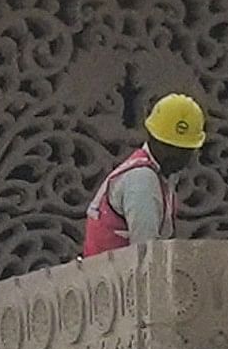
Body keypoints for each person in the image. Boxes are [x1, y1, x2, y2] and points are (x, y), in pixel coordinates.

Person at [81, 94, 208, 256]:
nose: (176, 155)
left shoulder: (161, 176)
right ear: (152, 137)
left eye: (184, 150)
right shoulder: (142, 179)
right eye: (169, 146)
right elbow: (147, 255)